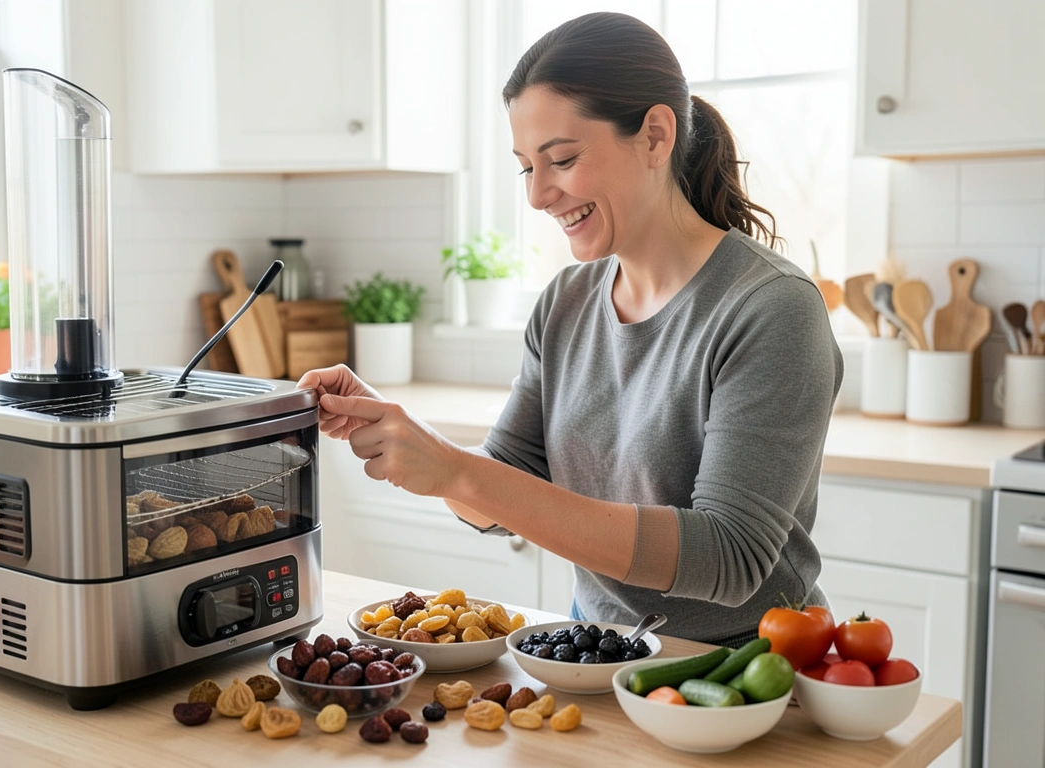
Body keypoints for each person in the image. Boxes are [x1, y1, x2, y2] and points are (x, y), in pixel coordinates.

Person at [298, 12, 842, 646]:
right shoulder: (567, 300)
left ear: (655, 136)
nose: (537, 196)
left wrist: (456, 471)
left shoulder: (770, 308)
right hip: (600, 653)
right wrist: (405, 438)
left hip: (747, 677)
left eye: (561, 159)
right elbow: (505, 492)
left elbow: (729, 560)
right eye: (527, 167)